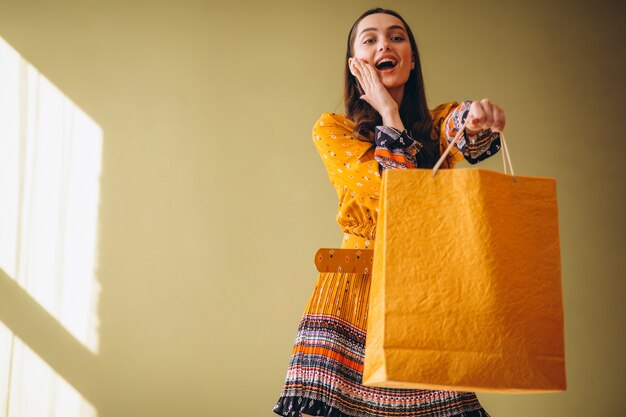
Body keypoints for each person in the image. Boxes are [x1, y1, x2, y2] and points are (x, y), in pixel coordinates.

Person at [273, 7, 505, 417]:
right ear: (355, 64)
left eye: (397, 37)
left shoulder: (436, 124)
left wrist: (477, 119)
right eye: (371, 39)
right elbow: (394, 195)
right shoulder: (333, 130)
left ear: (412, 60)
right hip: (352, 295)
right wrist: (388, 113)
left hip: (422, 295)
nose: (385, 44)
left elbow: (461, 125)